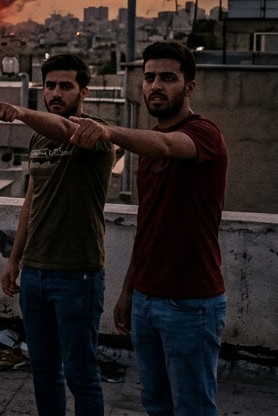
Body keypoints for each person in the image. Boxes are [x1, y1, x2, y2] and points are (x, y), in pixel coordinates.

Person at [68, 41, 228, 416]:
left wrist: (107, 132)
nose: (156, 86)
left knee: (192, 407)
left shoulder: (204, 134)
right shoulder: (147, 152)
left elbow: (169, 145)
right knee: (156, 404)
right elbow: (149, 224)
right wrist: (129, 292)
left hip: (190, 303)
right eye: (150, 77)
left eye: (168, 78)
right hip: (147, 299)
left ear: (189, 86)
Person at [0, 53, 114, 416]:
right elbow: (32, 199)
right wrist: (15, 260)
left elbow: (66, 130)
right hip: (35, 274)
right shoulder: (38, 142)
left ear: (84, 92)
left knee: (81, 375)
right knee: (44, 371)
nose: (56, 93)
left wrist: (23, 113)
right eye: (50, 86)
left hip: (78, 275)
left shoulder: (95, 133)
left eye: (66, 86)